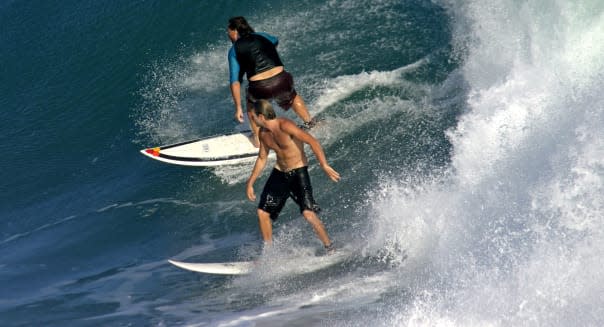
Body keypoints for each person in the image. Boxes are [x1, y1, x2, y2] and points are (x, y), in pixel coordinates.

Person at [245, 99, 340, 252]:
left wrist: (324, 165)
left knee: (308, 214)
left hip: (298, 172)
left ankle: (330, 247)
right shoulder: (263, 134)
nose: (253, 120)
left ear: (261, 116)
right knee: (262, 213)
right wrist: (250, 182)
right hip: (280, 173)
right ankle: (269, 254)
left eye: (254, 117)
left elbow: (312, 141)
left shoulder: (285, 125)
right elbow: (262, 157)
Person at [227, 16, 316, 147]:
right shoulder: (262, 36)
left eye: (228, 31)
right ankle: (311, 124)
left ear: (235, 31)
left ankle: (258, 140)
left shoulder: (234, 50)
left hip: (260, 87)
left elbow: (234, 81)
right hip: (282, 80)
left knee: (251, 106)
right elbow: (275, 40)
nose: (228, 34)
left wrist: (238, 108)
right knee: (292, 96)